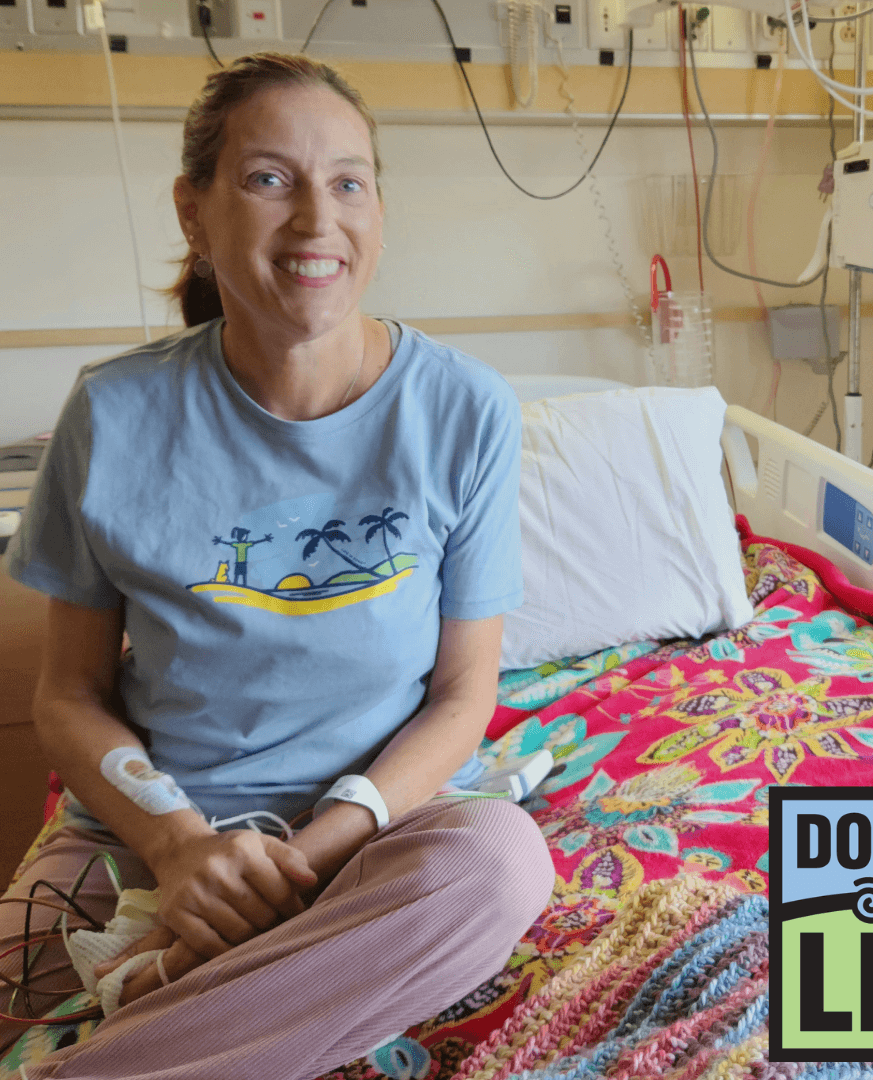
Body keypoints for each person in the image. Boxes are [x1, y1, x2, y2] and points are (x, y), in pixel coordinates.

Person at [0, 51, 554, 1080]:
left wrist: (301, 865)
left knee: (499, 866)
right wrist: (177, 850)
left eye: (348, 182)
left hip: (373, 835)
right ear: (194, 213)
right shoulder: (114, 415)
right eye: (268, 180)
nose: (315, 221)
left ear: (379, 212)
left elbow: (465, 691)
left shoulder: (462, 412)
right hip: (151, 827)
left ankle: (122, 1040)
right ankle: (217, 991)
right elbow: (68, 695)